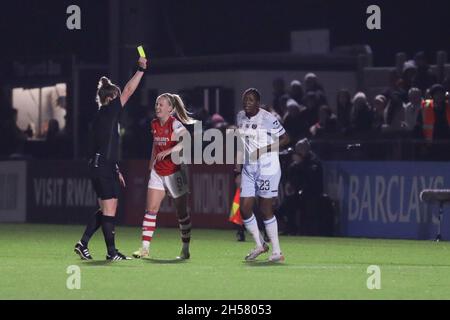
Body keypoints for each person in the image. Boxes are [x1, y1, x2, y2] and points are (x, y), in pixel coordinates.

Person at [74, 57, 148, 261]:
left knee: (107, 209)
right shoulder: (109, 111)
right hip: (102, 167)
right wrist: (141, 70)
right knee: (109, 210)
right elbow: (128, 91)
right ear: (111, 98)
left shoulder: (102, 116)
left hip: (104, 166)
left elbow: (102, 147)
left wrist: (115, 169)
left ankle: (85, 244)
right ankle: (110, 252)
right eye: (116, 98)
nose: (120, 102)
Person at [132, 93, 195, 260]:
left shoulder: (175, 124)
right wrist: (151, 163)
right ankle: (145, 248)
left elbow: (187, 139)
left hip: (175, 172)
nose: (157, 107)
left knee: (181, 213)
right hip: (158, 172)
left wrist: (169, 151)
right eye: (156, 104)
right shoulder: (153, 124)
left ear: (170, 109)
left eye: (161, 105)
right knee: (151, 210)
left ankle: (185, 248)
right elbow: (155, 143)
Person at [235, 88, 290, 262]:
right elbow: (240, 144)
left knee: (266, 209)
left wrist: (264, 149)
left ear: (258, 103)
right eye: (245, 99)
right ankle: (260, 244)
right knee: (244, 209)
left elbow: (286, 138)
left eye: (251, 100)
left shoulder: (268, 118)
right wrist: (237, 169)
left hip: (267, 168)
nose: (247, 103)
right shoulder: (240, 117)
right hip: (249, 169)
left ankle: (277, 251)